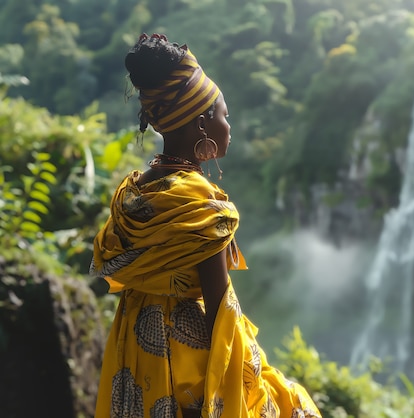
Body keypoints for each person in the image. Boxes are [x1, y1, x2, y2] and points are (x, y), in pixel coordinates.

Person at [90, 33, 321, 418]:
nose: (228, 125)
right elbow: (220, 309)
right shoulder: (202, 205)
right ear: (201, 124)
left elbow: (110, 270)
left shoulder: (134, 190)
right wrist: (251, 377)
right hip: (185, 356)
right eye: (223, 115)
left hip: (133, 344)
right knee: (292, 406)